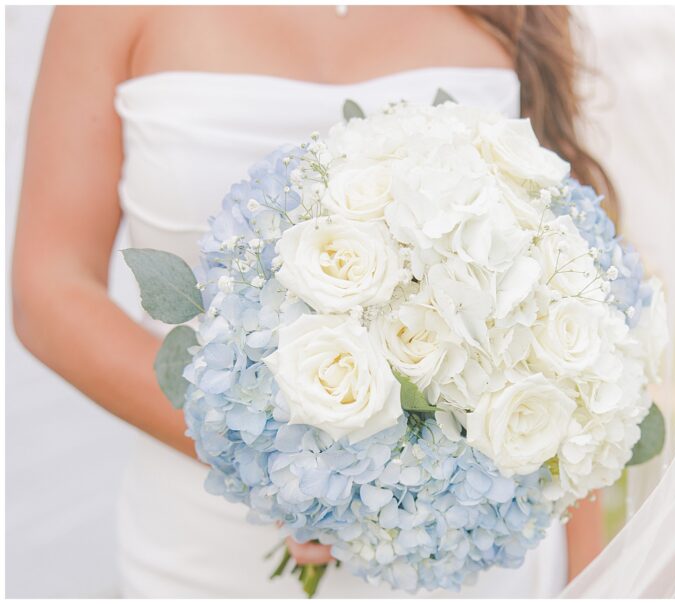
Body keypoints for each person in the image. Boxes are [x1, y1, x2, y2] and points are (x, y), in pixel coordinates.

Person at [13, 6, 607, 597]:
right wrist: (282, 466)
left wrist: (589, 578)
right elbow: (50, 288)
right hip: (208, 547)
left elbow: (560, 305)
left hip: (471, 548)